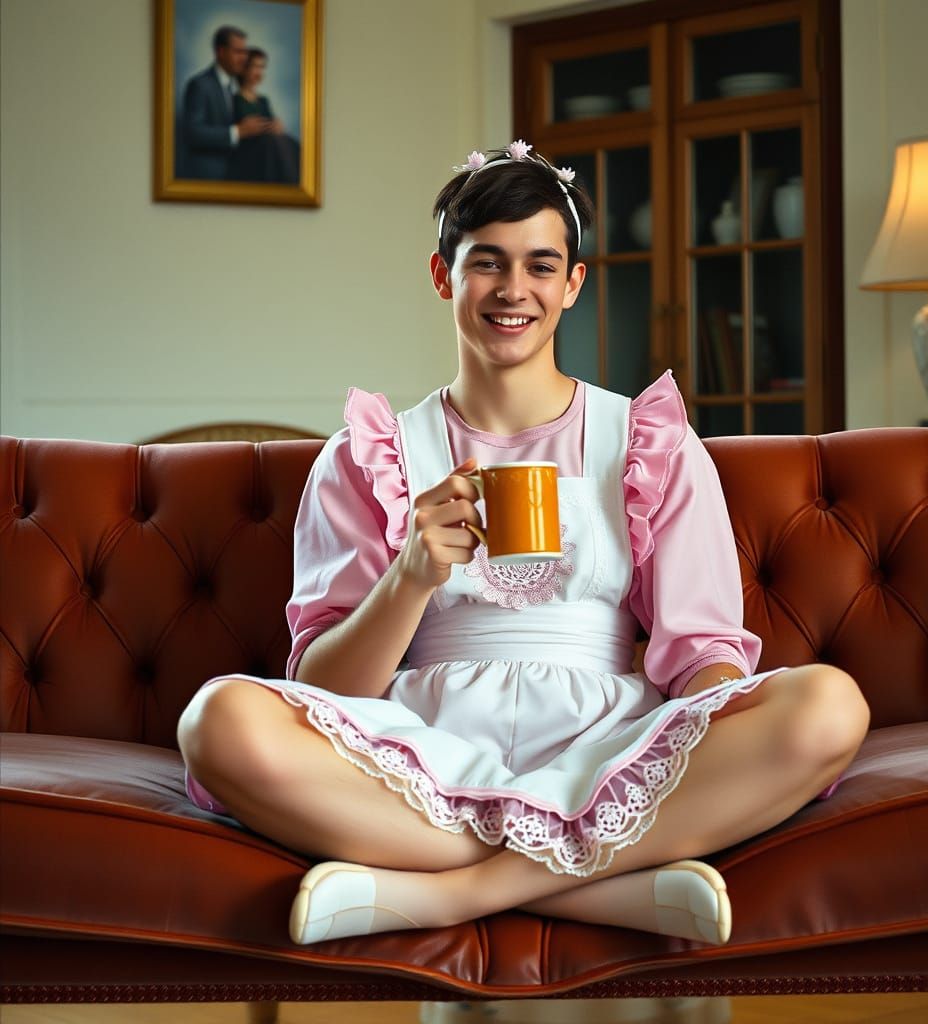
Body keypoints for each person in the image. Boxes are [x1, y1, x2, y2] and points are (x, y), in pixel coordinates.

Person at [177, 141, 870, 947]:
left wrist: (715, 730)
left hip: (607, 745)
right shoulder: (369, 456)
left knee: (828, 706)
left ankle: (450, 893)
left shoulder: (648, 441)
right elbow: (327, 689)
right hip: (419, 754)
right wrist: (411, 574)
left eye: (542, 266)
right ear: (443, 276)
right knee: (217, 720)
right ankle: (607, 882)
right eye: (487, 264)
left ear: (573, 284)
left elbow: (701, 654)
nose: (514, 291)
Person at [180, 26, 270, 180]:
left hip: (237, 173)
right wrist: (237, 132)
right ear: (220, 52)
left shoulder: (234, 86)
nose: (244, 58)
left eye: (245, 52)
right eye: (238, 52)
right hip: (209, 178)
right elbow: (192, 133)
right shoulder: (200, 84)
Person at [227, 47, 300, 185]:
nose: (260, 72)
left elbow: (271, 125)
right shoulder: (233, 99)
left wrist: (277, 126)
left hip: (269, 149)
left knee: (290, 142)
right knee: (274, 142)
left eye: (262, 67)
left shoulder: (263, 101)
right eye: (255, 67)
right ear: (244, 68)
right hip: (249, 154)